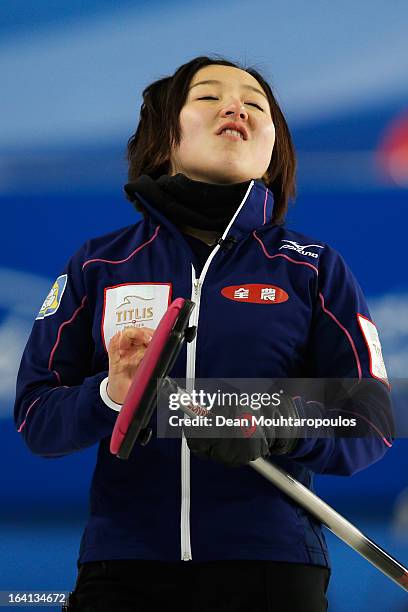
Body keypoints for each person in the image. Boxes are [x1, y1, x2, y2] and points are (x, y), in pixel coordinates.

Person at [14, 55, 395, 612]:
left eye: (256, 104)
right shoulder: (99, 265)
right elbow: (34, 414)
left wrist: (269, 419)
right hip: (122, 570)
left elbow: (373, 417)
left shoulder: (313, 267)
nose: (235, 106)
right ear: (163, 139)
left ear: (272, 154)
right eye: (209, 96)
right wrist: (111, 394)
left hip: (273, 569)